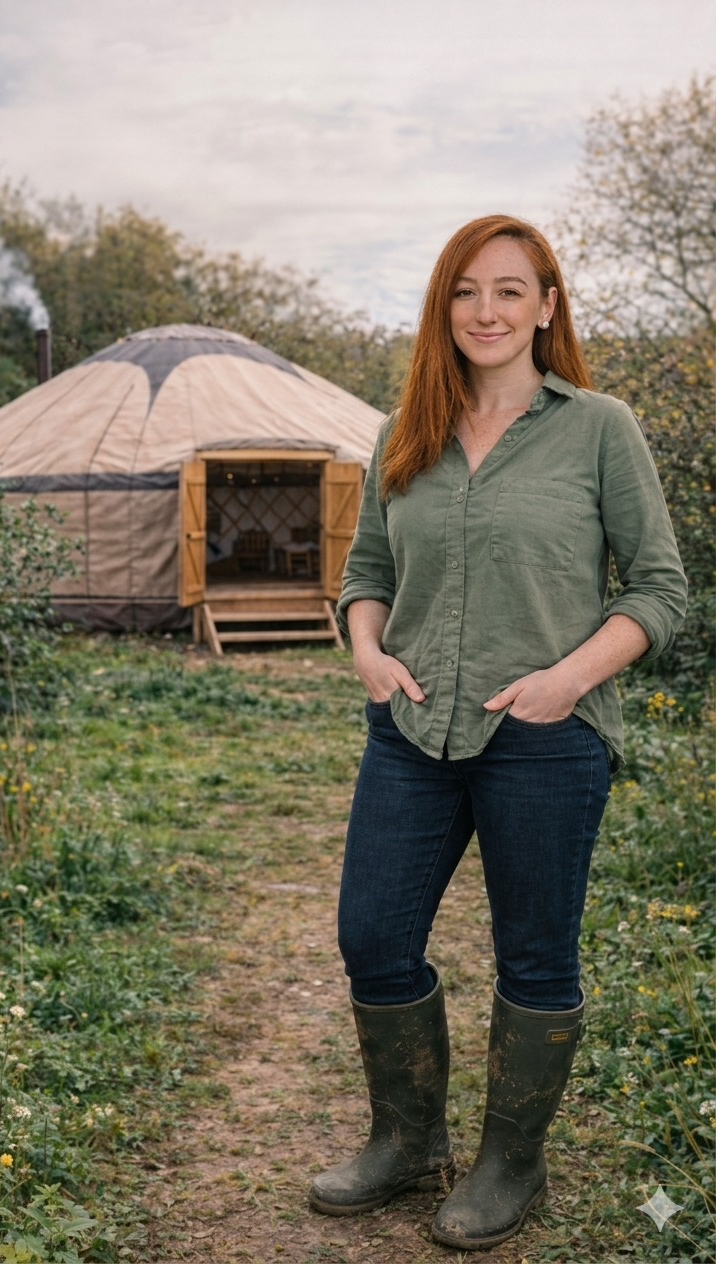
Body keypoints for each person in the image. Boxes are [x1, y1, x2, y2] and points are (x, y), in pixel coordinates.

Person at [308, 215, 686, 1250]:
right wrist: (367, 652)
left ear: (545, 306)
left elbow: (658, 590)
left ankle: (509, 1164)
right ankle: (404, 1141)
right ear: (443, 307)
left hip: (546, 737)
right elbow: (366, 576)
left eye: (509, 290)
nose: (486, 311)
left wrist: (563, 683)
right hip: (410, 730)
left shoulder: (597, 427)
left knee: (533, 957)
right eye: (465, 291)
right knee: (371, 937)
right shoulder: (402, 431)